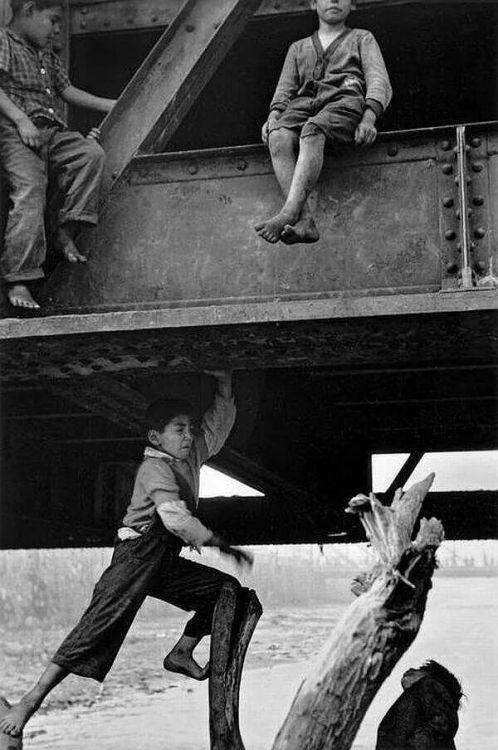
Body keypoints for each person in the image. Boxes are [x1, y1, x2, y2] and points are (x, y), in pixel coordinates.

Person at [0, 370, 254, 738]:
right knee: (95, 630)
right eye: (179, 429)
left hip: (162, 558)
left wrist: (225, 386)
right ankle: (29, 702)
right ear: (156, 437)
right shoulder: (154, 468)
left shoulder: (192, 451)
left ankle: (181, 653)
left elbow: (217, 428)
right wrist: (222, 545)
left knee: (226, 592)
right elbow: (175, 519)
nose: (189, 436)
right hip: (136, 554)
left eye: (190, 428)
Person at [0, 0, 117, 310]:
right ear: (27, 11)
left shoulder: (45, 56)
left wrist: (111, 105)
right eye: (51, 20)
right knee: (30, 192)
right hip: (17, 132)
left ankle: (65, 227)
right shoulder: (3, 41)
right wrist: (22, 120)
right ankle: (19, 280)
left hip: (51, 132)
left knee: (90, 155)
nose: (56, 29)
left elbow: (68, 91)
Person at [255, 0, 392, 245]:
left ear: (353, 5)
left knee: (313, 130)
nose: (334, 1)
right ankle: (305, 220)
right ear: (312, 4)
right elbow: (284, 89)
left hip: (345, 101)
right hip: (304, 104)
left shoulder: (362, 38)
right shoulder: (298, 47)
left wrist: (369, 117)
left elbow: (379, 80)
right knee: (277, 136)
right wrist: (274, 115)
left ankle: (288, 213)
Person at [376, 660, 464, 749]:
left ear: (431, 675)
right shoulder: (423, 703)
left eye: (419, 670)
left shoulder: (430, 685)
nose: (410, 669)